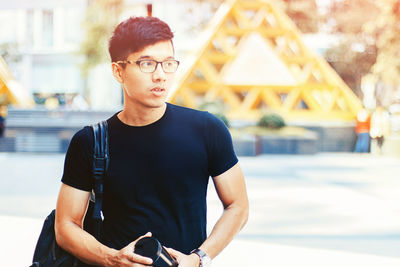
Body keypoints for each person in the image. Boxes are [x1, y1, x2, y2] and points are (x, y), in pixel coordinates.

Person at [55, 16, 249, 267]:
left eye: (168, 63)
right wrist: (112, 259)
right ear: (118, 71)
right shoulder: (90, 141)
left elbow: (238, 206)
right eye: (147, 63)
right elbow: (65, 226)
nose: (160, 75)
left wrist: (198, 258)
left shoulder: (206, 129)